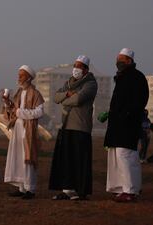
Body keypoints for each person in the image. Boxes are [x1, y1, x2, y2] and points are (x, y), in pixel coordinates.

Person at [49, 55, 98, 200]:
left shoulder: (91, 84)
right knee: (67, 159)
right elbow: (56, 97)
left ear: (86, 69)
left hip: (80, 127)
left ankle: (80, 190)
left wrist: (65, 99)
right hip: (66, 125)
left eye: (79, 66)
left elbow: (77, 100)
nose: (75, 69)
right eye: (75, 65)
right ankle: (67, 190)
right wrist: (68, 94)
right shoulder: (69, 83)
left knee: (79, 160)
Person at [104, 48, 149, 202]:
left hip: (128, 124)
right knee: (120, 156)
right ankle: (123, 188)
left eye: (121, 60)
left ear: (129, 61)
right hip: (118, 124)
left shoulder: (137, 77)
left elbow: (139, 100)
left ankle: (129, 190)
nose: (118, 63)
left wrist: (126, 115)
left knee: (126, 156)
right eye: (117, 59)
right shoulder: (122, 77)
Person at [3, 65, 45, 200]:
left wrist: (21, 113)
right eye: (18, 75)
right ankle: (21, 188)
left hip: (28, 130)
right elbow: (12, 110)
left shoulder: (36, 93)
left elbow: (39, 112)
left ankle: (30, 189)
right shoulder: (19, 93)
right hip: (17, 128)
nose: (19, 78)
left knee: (27, 158)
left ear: (28, 77)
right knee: (18, 157)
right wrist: (6, 103)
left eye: (21, 75)